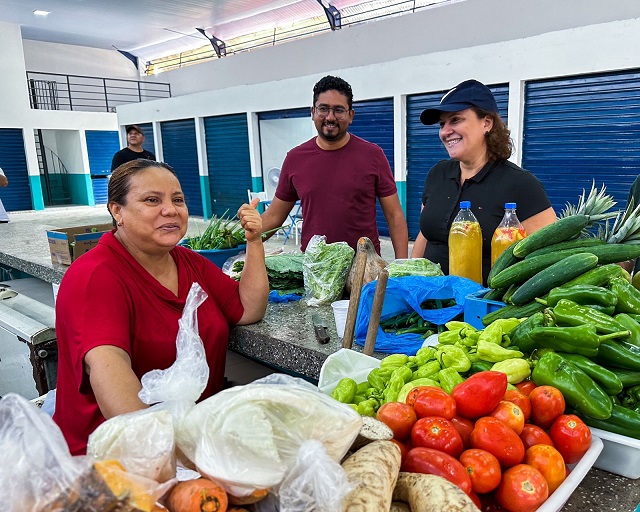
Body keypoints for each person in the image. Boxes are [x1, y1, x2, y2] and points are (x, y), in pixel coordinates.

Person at [53, 159, 268, 455]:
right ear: (118, 211)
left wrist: (254, 241)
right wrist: (180, 458)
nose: (171, 210)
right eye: (152, 200)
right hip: (116, 459)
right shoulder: (95, 277)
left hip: (191, 441)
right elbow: (113, 385)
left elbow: (248, 309)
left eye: (177, 199)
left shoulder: (188, 262)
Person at [410, 79, 556, 285]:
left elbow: (549, 257)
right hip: (427, 303)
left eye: (455, 120)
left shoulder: (521, 184)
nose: (444, 131)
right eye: (442, 124)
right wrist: (408, 279)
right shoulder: (438, 174)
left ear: (486, 123)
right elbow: (425, 236)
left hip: (484, 309)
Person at [261, 75, 408, 258]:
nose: (330, 117)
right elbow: (274, 217)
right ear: (313, 112)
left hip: (363, 268)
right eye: (323, 109)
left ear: (350, 115)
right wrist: (244, 235)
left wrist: (402, 266)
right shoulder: (295, 159)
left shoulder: (373, 155)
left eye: (338, 110)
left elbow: (395, 216)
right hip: (316, 269)